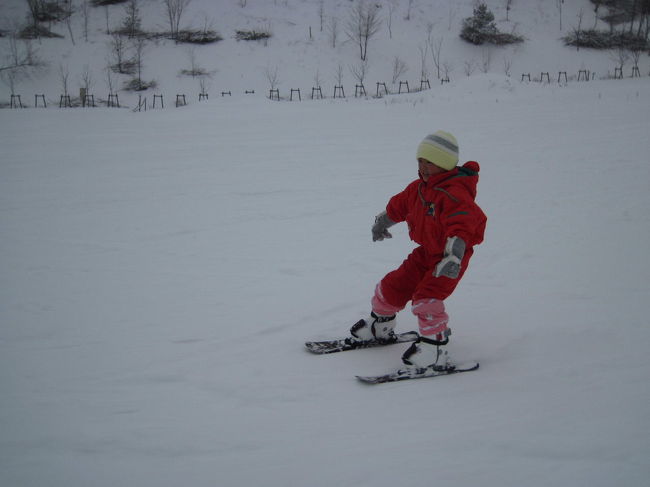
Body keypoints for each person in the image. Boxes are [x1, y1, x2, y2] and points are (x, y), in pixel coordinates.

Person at [350, 130, 487, 369]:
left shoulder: (454, 194)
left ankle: (435, 348)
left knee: (426, 298)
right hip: (426, 253)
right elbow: (400, 205)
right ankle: (379, 325)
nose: (423, 167)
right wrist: (383, 222)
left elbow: (463, 223)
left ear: (444, 164)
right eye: (420, 161)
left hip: (449, 258)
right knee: (392, 286)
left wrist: (454, 255)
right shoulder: (419, 188)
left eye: (430, 162)